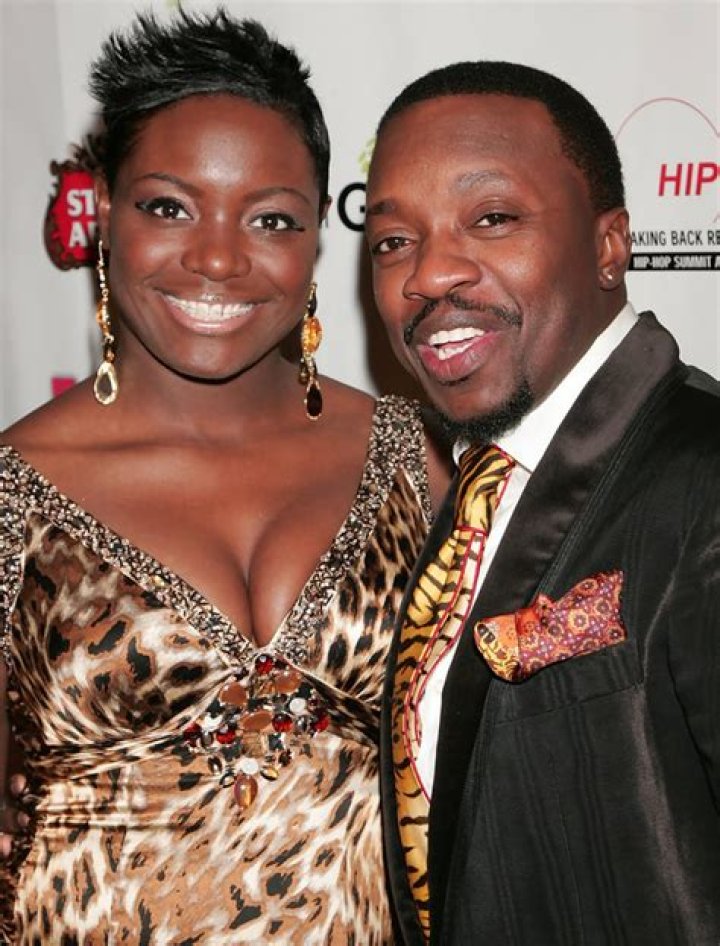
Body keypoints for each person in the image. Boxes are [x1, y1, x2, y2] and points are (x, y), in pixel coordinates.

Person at [0, 9, 449, 943]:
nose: (216, 257)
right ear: (103, 212)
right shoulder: (13, 492)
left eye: (270, 219)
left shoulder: (422, 461)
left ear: (319, 236)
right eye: (168, 207)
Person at [365, 61, 720, 945]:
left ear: (609, 246)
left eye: (492, 218)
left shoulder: (703, 479)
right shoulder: (479, 488)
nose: (428, 274)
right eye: (393, 240)